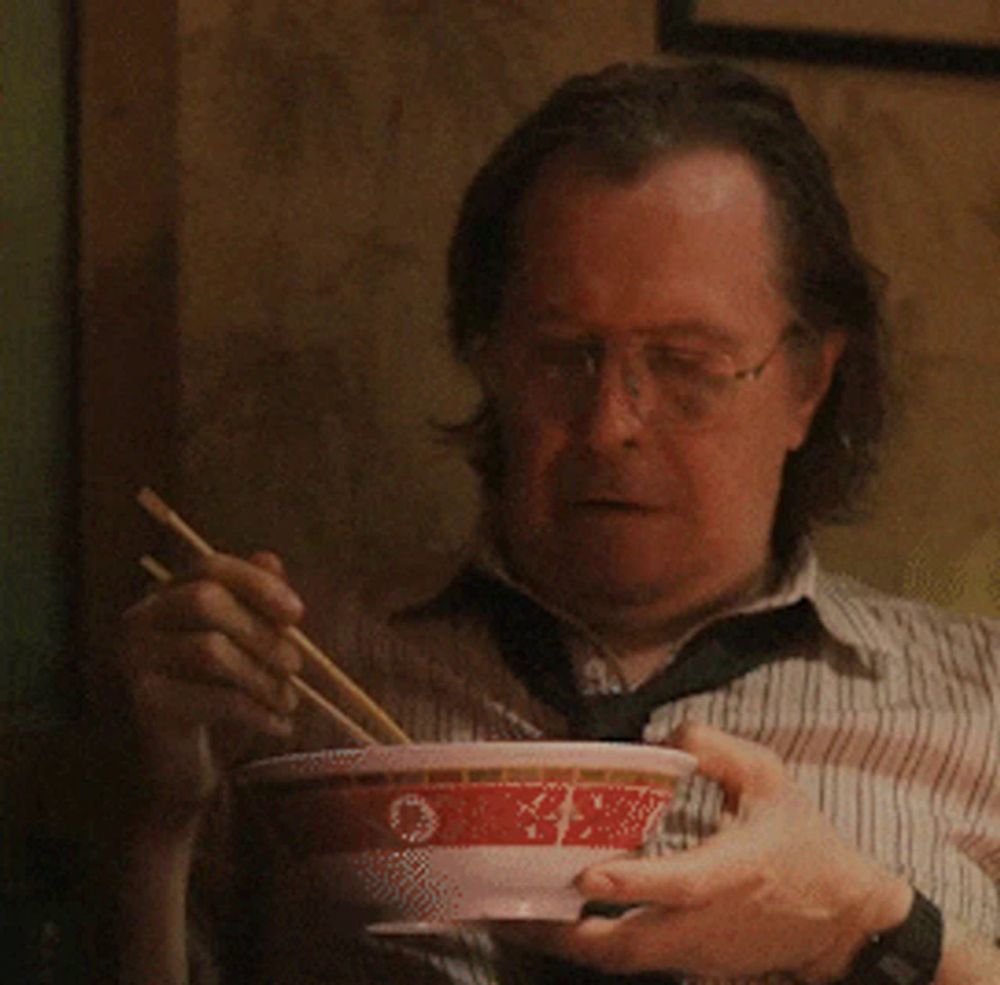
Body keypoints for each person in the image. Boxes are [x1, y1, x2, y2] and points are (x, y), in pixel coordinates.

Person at [114, 61, 1000, 984]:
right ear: (491, 358)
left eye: (687, 363)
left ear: (808, 383)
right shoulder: (297, 670)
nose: (612, 422)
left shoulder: (984, 709)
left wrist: (873, 928)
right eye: (564, 354)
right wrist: (165, 812)